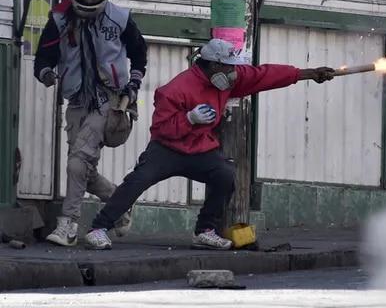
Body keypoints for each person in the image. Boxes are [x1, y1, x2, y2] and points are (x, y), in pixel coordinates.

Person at [84, 38, 335, 250]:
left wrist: (308, 74)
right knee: (136, 182)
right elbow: (162, 129)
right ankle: (98, 227)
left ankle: (205, 230)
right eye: (228, 68)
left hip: (200, 148)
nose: (233, 73)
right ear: (214, 65)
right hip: (166, 149)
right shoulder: (174, 90)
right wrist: (188, 119)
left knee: (225, 175)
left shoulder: (227, 80)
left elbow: (264, 75)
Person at [34, 0, 148, 246]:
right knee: (84, 169)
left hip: (109, 101)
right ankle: (120, 204)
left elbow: (139, 53)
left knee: (76, 163)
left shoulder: (120, 19)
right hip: (76, 100)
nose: (86, 1)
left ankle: (68, 225)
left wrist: (133, 84)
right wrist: (46, 73)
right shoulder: (59, 19)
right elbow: (43, 58)